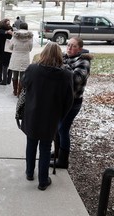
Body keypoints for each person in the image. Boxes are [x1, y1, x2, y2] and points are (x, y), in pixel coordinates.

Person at [21, 42, 74, 191]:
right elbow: (69, 100)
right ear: (59, 56)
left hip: (32, 113)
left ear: (43, 54)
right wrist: (60, 116)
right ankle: (43, 181)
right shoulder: (66, 75)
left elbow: (25, 85)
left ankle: (30, 173)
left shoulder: (32, 69)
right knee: (45, 148)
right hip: (51, 117)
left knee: (31, 144)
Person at [50, 37, 93, 169]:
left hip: (73, 103)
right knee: (57, 127)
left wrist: (62, 68)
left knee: (63, 128)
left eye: (73, 46)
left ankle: (63, 160)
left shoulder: (84, 61)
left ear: (79, 48)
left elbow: (76, 78)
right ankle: (57, 151)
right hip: (60, 101)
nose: (69, 47)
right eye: (68, 45)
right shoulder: (63, 56)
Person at [8, 22, 33, 96]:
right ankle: (20, 92)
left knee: (15, 75)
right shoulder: (30, 36)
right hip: (25, 57)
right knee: (22, 76)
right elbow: (30, 48)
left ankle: (15, 91)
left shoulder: (15, 35)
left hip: (15, 57)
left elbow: (10, 47)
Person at [0, 18, 13, 85]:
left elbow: (10, 37)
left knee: (4, 64)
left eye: (9, 23)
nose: (8, 25)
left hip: (6, 49)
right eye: (7, 23)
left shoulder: (10, 28)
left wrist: (8, 32)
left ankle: (3, 79)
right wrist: (6, 32)